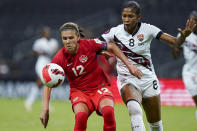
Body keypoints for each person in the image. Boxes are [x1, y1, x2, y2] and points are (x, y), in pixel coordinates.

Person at [98, 1, 196, 131]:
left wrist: (183, 37)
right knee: (134, 111)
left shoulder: (149, 29)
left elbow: (175, 42)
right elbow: (96, 43)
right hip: (127, 79)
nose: (126, 20)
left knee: (155, 125)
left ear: (139, 17)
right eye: (124, 16)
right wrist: (103, 51)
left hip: (148, 80)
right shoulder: (115, 32)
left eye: (130, 16)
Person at [39, 22, 142, 131]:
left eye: (71, 38)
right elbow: (48, 83)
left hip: (99, 87)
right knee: (80, 117)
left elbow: (111, 46)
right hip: (79, 92)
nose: (68, 42)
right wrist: (45, 109)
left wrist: (130, 65)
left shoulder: (89, 44)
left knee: (108, 112)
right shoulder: (59, 58)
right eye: (64, 39)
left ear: (78, 37)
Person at [24, 27, 59, 111]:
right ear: (43, 33)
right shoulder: (39, 42)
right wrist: (40, 52)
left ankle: (45, 104)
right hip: (41, 62)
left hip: (49, 62)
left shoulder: (53, 42)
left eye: (49, 32)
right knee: (41, 80)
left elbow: (58, 51)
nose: (48, 33)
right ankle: (29, 102)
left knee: (47, 84)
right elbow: (33, 51)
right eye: (46, 32)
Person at [171, 10, 197, 120]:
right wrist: (175, 46)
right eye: (190, 21)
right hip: (190, 73)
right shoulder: (183, 35)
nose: (192, 24)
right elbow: (175, 56)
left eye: (194, 21)